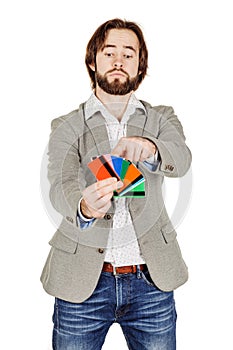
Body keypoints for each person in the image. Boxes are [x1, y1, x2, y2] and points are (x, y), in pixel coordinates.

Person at [41, 18, 192, 350]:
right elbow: (59, 183)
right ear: (93, 61)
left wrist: (152, 150)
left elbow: (181, 160)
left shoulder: (162, 117)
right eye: (109, 53)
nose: (119, 61)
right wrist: (83, 206)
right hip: (83, 282)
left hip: (150, 281)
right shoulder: (66, 125)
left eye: (129, 54)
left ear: (140, 66)